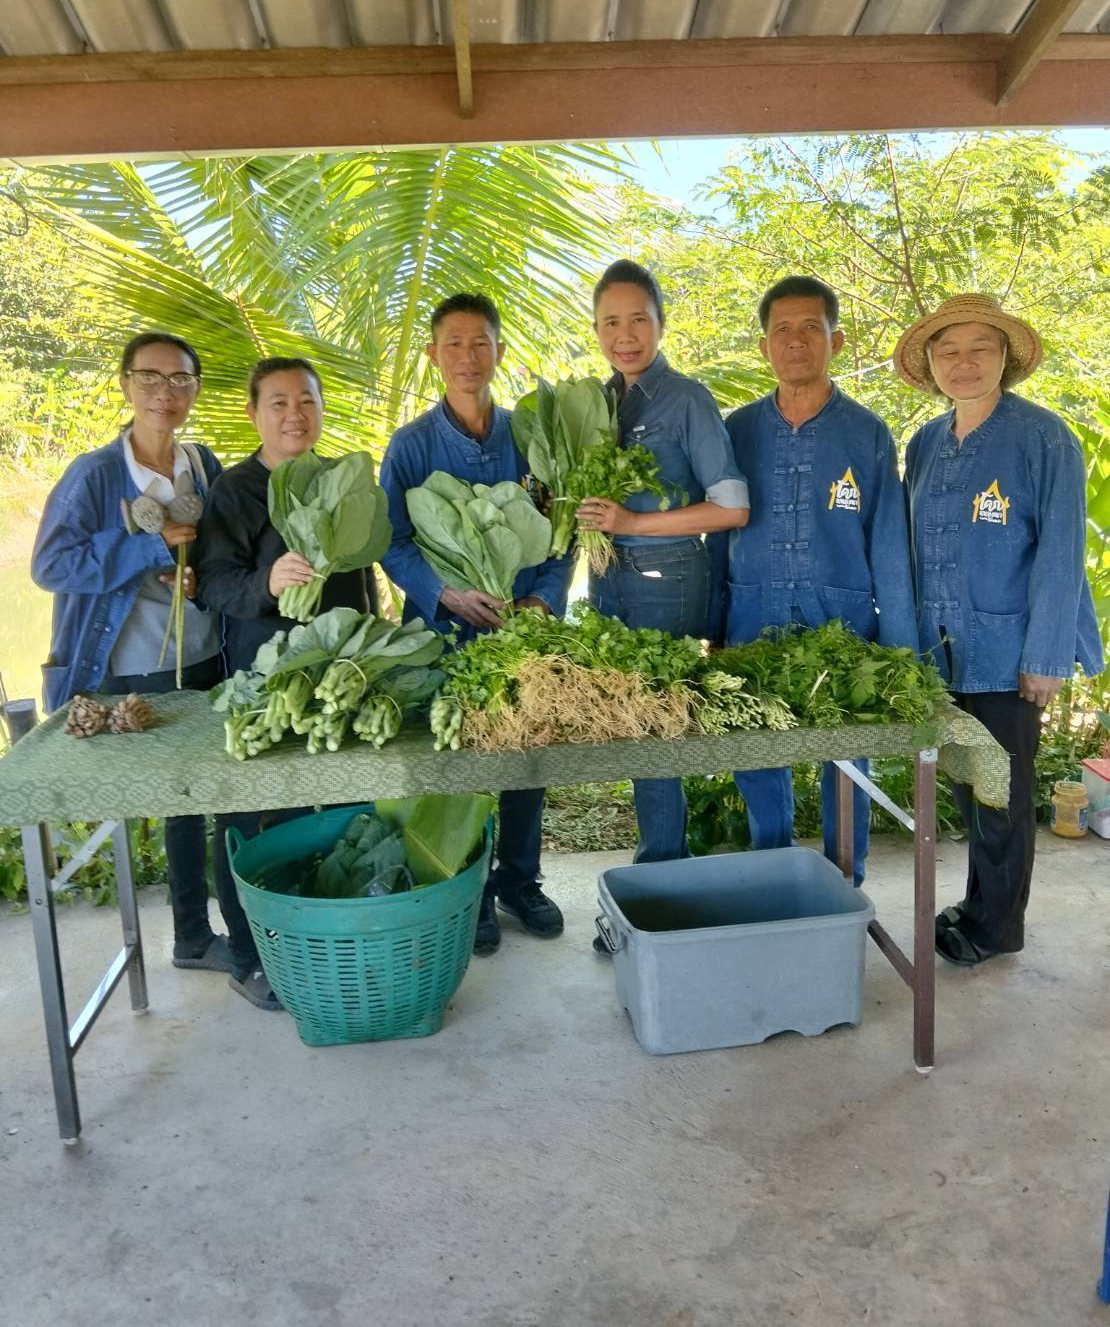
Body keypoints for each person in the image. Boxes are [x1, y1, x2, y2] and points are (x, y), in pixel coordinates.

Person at [896, 293, 1103, 966]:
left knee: (1003, 799)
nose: (963, 362)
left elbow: (1061, 552)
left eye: (979, 348)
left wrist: (1045, 655)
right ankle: (978, 904)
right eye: (947, 351)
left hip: (1010, 654)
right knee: (966, 785)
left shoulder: (1044, 438)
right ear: (930, 365)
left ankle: (996, 928)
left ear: (1005, 359)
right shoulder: (925, 443)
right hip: (941, 654)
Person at [31, 330, 238, 975]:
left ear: (195, 391)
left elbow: (221, 547)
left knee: (220, 797)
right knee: (182, 803)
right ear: (125, 384)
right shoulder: (94, 475)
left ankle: (227, 934)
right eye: (149, 377)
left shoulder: (203, 464)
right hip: (129, 668)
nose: (164, 393)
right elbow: (51, 564)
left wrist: (197, 570)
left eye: (180, 380)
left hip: (206, 655)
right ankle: (193, 937)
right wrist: (147, 550)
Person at [379, 292, 574, 957]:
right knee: (459, 762)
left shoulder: (531, 439)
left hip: (524, 630)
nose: (468, 357)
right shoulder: (409, 447)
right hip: (445, 632)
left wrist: (544, 601)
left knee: (526, 754)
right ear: (434, 354)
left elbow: (561, 531)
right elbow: (393, 542)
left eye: (480, 342)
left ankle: (520, 880)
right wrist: (444, 594)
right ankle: (472, 890)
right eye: (454, 343)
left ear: (498, 349)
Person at [707, 276, 918, 887]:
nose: (796, 341)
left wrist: (898, 646)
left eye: (811, 328)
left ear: (837, 340)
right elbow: (718, 533)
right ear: (765, 345)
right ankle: (771, 867)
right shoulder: (737, 431)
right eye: (781, 330)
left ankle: (844, 878)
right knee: (756, 743)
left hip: (844, 620)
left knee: (847, 756)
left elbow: (887, 543)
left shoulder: (867, 434)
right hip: (753, 613)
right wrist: (714, 623)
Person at [196, 357, 373, 1007]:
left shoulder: (340, 478)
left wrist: (371, 647)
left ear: (321, 409)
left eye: (306, 401)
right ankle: (248, 955)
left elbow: (359, 580)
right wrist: (264, 584)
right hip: (261, 681)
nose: (294, 414)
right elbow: (213, 583)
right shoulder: (237, 490)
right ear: (254, 413)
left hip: (335, 680)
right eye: (278, 403)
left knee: (324, 813)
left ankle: (312, 939)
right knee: (247, 817)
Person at [576, 259, 748, 915]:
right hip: (611, 583)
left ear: (660, 324)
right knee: (639, 732)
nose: (625, 335)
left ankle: (664, 887)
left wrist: (636, 522)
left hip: (669, 580)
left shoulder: (687, 399)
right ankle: (662, 874)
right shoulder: (597, 402)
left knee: (656, 734)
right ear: (596, 329)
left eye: (638, 320)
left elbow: (732, 506)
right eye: (611, 322)